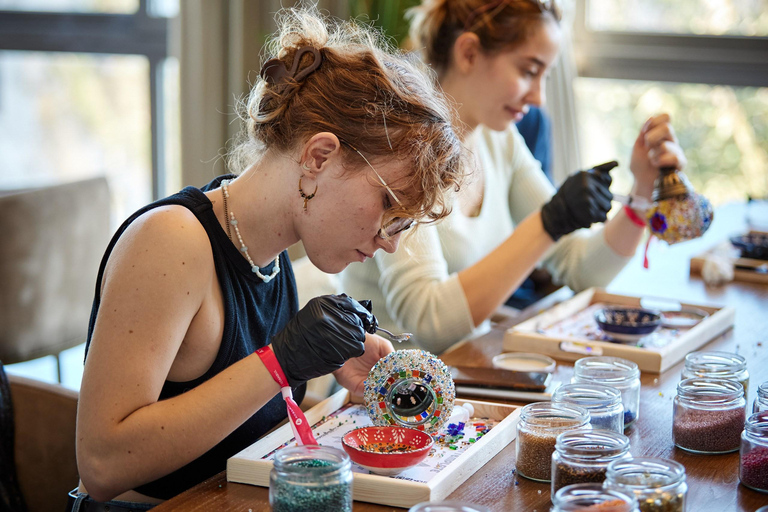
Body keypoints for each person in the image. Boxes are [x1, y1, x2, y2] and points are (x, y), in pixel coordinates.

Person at [72, 5, 465, 509]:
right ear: (318, 157)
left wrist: (332, 392)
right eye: (389, 204)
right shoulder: (170, 242)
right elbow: (103, 465)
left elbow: (238, 442)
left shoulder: (271, 257)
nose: (389, 241)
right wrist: (280, 363)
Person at [339, 0, 688, 354]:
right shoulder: (402, 150)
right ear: (469, 53)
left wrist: (643, 190)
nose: (538, 97)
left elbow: (581, 268)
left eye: (545, 76)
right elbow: (428, 322)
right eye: (528, 71)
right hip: (388, 391)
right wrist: (550, 222)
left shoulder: (497, 138)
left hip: (467, 373)